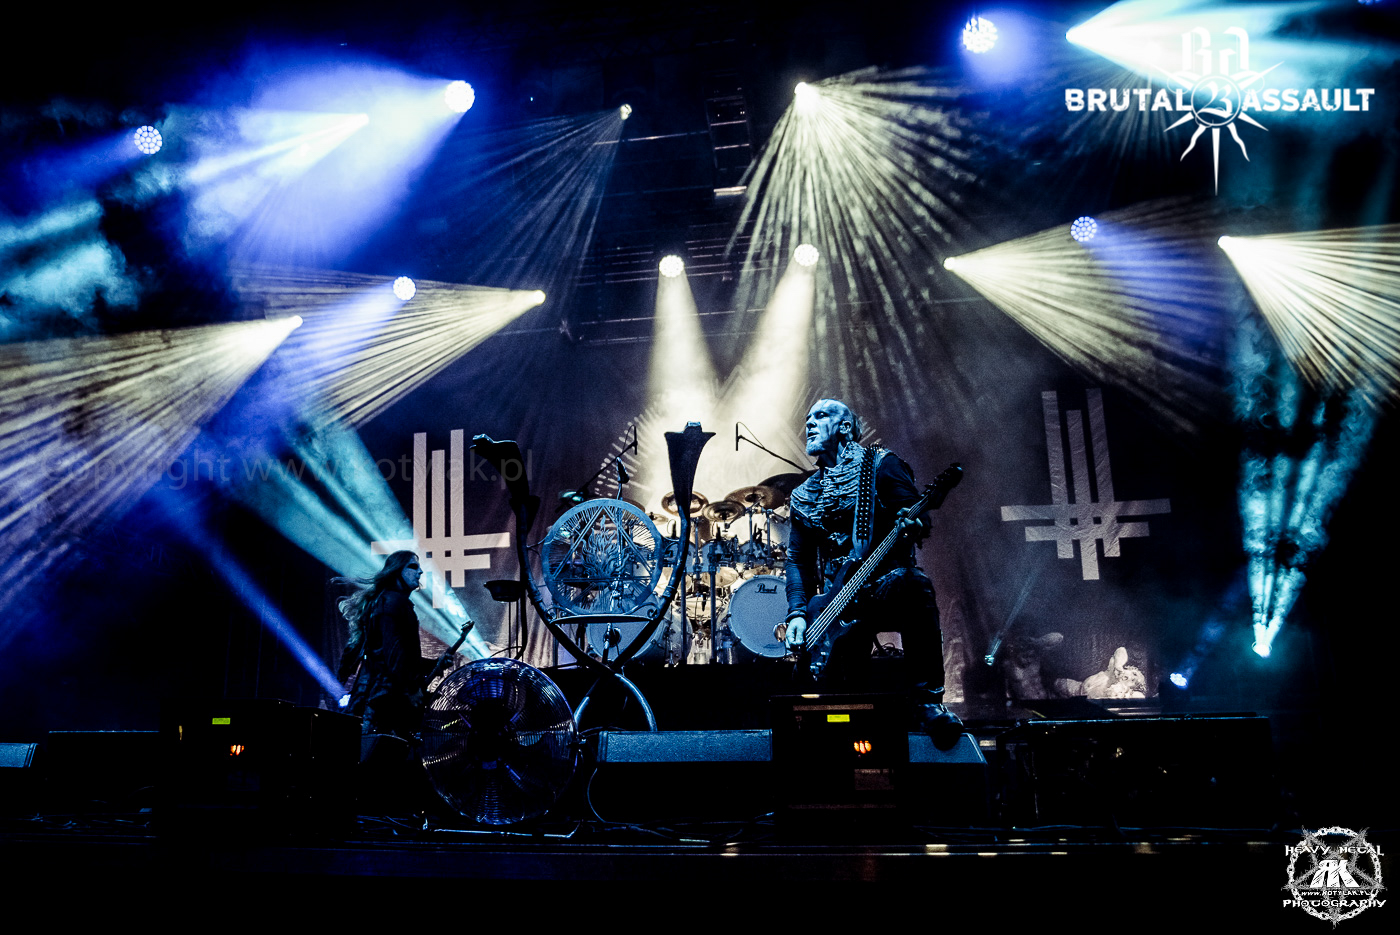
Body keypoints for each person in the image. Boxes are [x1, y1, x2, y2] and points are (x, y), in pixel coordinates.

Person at [779, 399, 963, 747]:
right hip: (834, 607)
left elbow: (918, 516)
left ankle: (928, 703)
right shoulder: (803, 494)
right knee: (838, 709)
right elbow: (798, 561)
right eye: (808, 418)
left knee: (914, 583)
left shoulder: (880, 464)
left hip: (883, 586)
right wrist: (798, 613)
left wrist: (915, 524)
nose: (810, 423)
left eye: (821, 416)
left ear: (845, 427)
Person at [336, 550, 434, 739]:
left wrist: (434, 663)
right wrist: (410, 690)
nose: (420, 572)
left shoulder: (387, 602)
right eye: (413, 566)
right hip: (384, 701)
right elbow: (394, 656)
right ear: (397, 571)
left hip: (379, 699)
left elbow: (391, 655)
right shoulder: (392, 603)